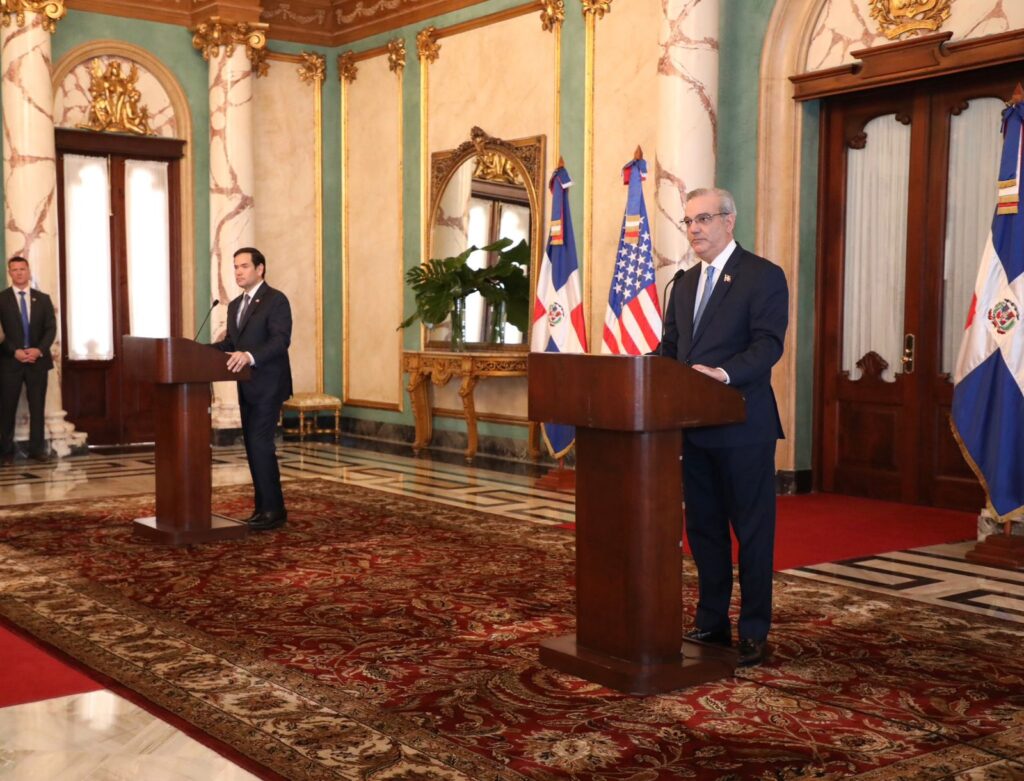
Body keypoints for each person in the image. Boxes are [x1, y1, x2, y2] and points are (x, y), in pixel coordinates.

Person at [659, 188, 789, 667]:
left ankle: (753, 629)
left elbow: (768, 344)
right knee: (705, 530)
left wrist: (724, 373)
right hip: (693, 428)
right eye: (688, 221)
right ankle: (711, 620)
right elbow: (671, 349)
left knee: (752, 532)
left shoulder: (762, 275)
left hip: (743, 426)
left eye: (704, 219)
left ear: (729, 221)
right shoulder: (684, 283)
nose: (694, 229)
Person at [213, 247, 293, 531]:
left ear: (260, 269)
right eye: (235, 267)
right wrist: (197, 351)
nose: (238, 271)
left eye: (244, 266)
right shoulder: (235, 305)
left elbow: (280, 340)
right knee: (253, 447)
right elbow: (230, 345)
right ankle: (263, 508)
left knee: (260, 445)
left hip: (269, 385)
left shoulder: (276, 300)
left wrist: (249, 356)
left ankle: (274, 510)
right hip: (247, 387)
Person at [0, 256, 57, 465]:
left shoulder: (43, 299)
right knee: (6, 408)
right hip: (10, 362)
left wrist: (39, 350)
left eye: (22, 269)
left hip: (37, 361)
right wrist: (13, 351)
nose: (19, 273)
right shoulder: (1, 299)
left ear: (28, 271)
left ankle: (37, 450)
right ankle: (5, 452)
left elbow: (51, 328)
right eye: (14, 269)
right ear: (9, 273)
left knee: (37, 407)